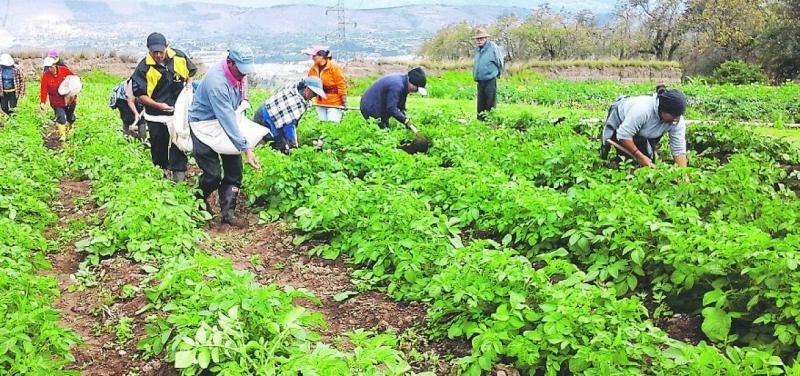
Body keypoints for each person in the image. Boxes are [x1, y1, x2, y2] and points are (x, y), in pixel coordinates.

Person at [189, 46, 262, 226]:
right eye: (241, 71)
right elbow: (227, 118)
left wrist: (244, 100)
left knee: (234, 172)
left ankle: (228, 214)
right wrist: (246, 149)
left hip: (226, 122)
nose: (243, 75)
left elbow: (240, 93)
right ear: (230, 63)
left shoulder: (240, 75)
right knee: (212, 175)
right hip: (204, 125)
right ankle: (197, 200)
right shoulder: (217, 83)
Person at [132, 32, 197, 182]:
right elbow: (140, 95)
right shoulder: (143, 68)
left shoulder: (179, 57)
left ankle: (178, 175)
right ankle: (161, 174)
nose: (158, 55)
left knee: (179, 142)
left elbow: (191, 72)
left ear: (167, 46)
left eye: (161, 51)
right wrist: (158, 105)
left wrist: (188, 85)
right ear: (148, 50)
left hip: (177, 112)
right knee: (158, 144)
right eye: (154, 52)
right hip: (155, 114)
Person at [599, 88, 689, 168]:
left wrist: (682, 175)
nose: (676, 119)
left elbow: (678, 149)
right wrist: (639, 156)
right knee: (627, 161)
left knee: (647, 162)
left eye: (678, 116)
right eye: (673, 116)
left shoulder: (676, 120)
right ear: (663, 110)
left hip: (645, 131)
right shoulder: (642, 110)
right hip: (621, 123)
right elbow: (623, 135)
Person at [253, 76, 326, 154]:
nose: (314, 96)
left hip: (271, 116)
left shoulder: (298, 93)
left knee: (281, 144)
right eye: (314, 94)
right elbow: (289, 125)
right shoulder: (294, 100)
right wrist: (293, 145)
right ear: (307, 89)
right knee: (278, 147)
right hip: (265, 118)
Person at [359, 67, 427, 129]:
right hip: (370, 106)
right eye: (416, 89)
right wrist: (405, 121)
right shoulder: (397, 86)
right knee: (382, 131)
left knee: (386, 128)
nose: (415, 91)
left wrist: (406, 120)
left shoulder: (404, 84)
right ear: (412, 83)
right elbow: (391, 108)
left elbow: (401, 107)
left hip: (381, 104)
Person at [303, 46, 347, 123]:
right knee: (322, 124)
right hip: (320, 102)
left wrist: (344, 101)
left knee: (332, 124)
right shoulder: (313, 69)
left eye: (314, 56)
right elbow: (310, 85)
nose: (312, 58)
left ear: (322, 56)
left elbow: (341, 84)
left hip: (334, 102)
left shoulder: (334, 67)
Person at [39, 57, 77, 141]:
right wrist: (42, 102)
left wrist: (73, 91)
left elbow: (74, 80)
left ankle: (70, 127)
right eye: (48, 67)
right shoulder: (46, 76)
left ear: (55, 65)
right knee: (61, 116)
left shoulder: (64, 70)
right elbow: (43, 89)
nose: (50, 69)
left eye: (51, 66)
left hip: (69, 99)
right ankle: (62, 136)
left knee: (70, 116)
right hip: (56, 101)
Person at [472, 27, 504, 121]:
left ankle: (491, 121)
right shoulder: (478, 50)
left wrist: (498, 74)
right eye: (478, 39)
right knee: (480, 103)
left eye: (481, 38)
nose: (479, 40)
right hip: (480, 80)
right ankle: (480, 121)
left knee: (490, 102)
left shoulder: (493, 47)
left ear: (486, 38)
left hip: (490, 79)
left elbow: (499, 62)